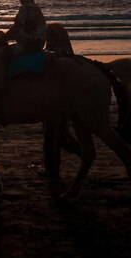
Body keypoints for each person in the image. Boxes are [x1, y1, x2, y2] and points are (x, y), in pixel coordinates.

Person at [0, 0, 46, 93]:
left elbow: (15, 29)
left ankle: (1, 86)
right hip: (40, 44)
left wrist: (3, 38)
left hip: (26, 46)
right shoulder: (37, 10)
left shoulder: (24, 9)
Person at [43, 23, 80, 178]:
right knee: (58, 136)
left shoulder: (54, 54)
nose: (48, 37)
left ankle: (53, 170)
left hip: (56, 100)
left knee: (54, 136)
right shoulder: (67, 52)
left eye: (50, 34)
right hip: (63, 99)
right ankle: (52, 169)